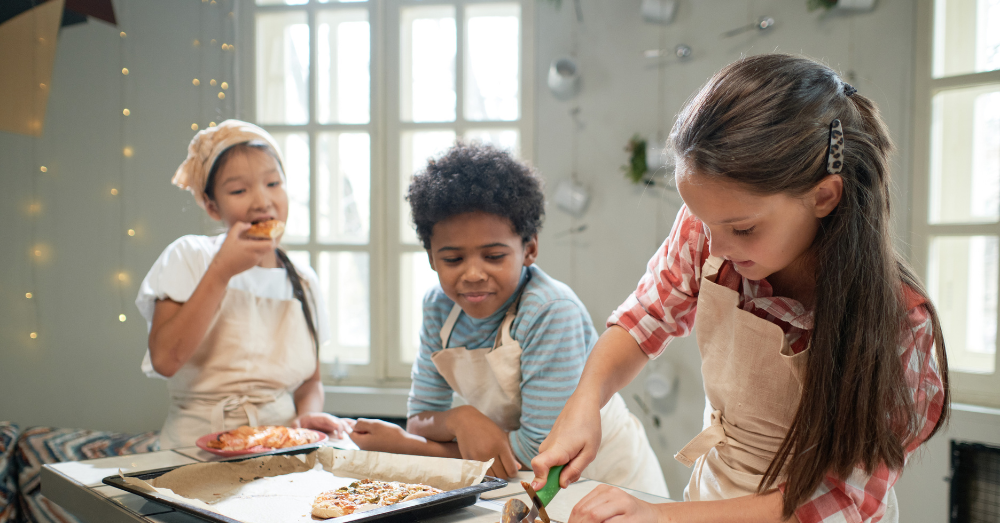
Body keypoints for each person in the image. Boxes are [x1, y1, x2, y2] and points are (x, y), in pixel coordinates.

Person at [530, 54, 949, 523]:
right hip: (715, 496)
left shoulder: (900, 327)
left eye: (743, 229)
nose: (716, 245)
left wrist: (661, 517)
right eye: (705, 221)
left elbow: (837, 501)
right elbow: (644, 317)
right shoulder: (712, 230)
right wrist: (585, 401)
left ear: (824, 197)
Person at [349, 142, 668, 496]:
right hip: (516, 483)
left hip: (603, 478)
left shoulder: (549, 311)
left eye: (494, 256)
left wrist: (412, 448)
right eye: (453, 259)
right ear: (431, 258)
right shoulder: (438, 308)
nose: (472, 274)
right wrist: (461, 419)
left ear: (529, 248)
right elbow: (421, 418)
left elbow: (536, 453)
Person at [136, 120, 352, 450]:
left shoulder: (303, 280)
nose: (261, 201)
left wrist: (307, 416)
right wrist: (222, 271)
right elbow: (165, 359)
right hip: (194, 451)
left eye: (273, 183)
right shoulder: (190, 256)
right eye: (239, 190)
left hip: (283, 448)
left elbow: (311, 382)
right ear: (211, 205)